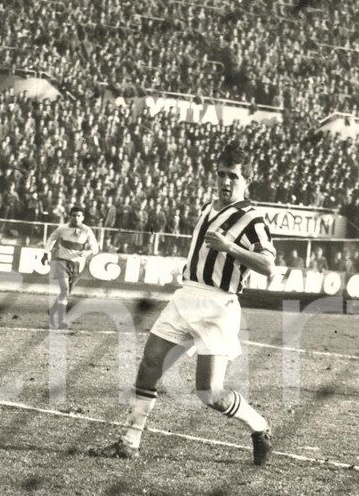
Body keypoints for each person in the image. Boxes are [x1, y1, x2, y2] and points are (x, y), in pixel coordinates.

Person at [91, 142, 275, 465]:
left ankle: (259, 427)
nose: (224, 182)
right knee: (149, 365)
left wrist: (230, 247)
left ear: (247, 179)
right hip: (185, 297)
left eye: (232, 176)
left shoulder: (252, 219)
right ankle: (129, 442)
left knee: (209, 394)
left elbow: (268, 266)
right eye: (220, 174)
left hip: (218, 307)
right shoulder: (207, 209)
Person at [43, 205, 99, 331]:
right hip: (62, 262)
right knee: (64, 290)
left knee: (66, 293)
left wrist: (88, 252)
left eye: (79, 216)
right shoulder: (62, 229)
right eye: (74, 215)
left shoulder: (87, 230)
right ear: (70, 216)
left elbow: (95, 248)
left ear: (83, 217)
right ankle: (62, 320)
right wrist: (46, 252)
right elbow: (51, 238)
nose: (76, 218)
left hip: (77, 265)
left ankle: (53, 311)